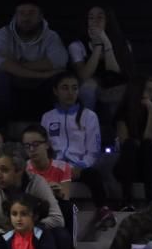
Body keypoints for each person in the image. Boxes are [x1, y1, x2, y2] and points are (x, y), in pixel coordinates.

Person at [40, 71, 114, 228]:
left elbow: (93, 149)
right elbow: (44, 147)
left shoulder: (89, 116)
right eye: (65, 88)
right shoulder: (47, 117)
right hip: (56, 167)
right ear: (56, 91)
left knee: (93, 174)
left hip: (79, 167)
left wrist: (80, 166)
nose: (70, 93)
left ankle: (103, 209)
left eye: (74, 88)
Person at [0, 0, 68, 116]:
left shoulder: (51, 36)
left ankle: (58, 124)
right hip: (15, 81)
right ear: (15, 16)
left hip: (42, 85)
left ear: (40, 16)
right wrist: (42, 74)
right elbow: (0, 64)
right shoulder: (1, 34)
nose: (26, 17)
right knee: (0, 77)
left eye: (31, 13)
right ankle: (0, 127)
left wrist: (15, 64)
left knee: (60, 77)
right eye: (22, 13)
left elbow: (58, 61)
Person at [0, 143, 64, 240]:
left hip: (31, 237)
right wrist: (5, 236)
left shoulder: (37, 182)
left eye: (4, 170)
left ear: (19, 170)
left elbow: (57, 219)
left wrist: (29, 230)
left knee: (61, 235)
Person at [68, 4, 134, 116]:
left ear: (108, 20)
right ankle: (86, 125)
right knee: (87, 88)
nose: (95, 21)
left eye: (100, 17)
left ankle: (118, 130)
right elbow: (84, 75)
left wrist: (106, 41)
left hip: (116, 83)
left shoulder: (123, 44)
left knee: (123, 91)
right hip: (92, 83)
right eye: (91, 18)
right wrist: (98, 45)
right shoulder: (77, 45)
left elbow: (114, 72)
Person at [21, 124, 82, 241]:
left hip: (56, 209)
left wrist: (57, 192)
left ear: (47, 144)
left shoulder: (63, 167)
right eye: (27, 146)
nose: (32, 150)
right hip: (33, 211)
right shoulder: (24, 168)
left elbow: (65, 197)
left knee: (69, 208)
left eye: (35, 144)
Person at [113, 75, 152, 208]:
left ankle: (150, 201)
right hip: (127, 164)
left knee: (147, 146)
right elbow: (124, 142)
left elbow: (149, 138)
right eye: (149, 90)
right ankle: (127, 201)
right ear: (138, 90)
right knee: (130, 145)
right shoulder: (123, 111)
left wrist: (151, 111)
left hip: (149, 165)